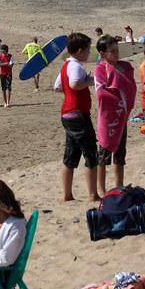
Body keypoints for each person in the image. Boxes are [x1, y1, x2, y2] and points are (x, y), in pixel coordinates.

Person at [54, 32, 99, 202]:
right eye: (88, 50)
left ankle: (67, 195)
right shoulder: (76, 66)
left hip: (66, 113)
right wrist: (88, 81)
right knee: (91, 153)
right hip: (78, 114)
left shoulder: (65, 66)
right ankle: (93, 194)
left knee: (71, 155)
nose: (89, 53)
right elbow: (73, 83)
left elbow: (57, 87)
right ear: (80, 51)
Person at [93, 35, 137, 195]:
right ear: (102, 53)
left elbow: (131, 88)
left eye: (117, 50)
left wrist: (121, 96)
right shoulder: (100, 68)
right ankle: (103, 190)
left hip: (122, 116)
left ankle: (119, 187)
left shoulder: (125, 67)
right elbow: (101, 93)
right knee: (103, 154)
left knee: (120, 154)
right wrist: (118, 97)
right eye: (112, 51)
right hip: (108, 117)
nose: (116, 54)